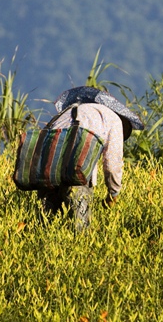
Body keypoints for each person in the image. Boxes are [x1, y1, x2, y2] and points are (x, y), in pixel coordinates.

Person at [37, 86, 144, 232]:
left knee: (45, 229)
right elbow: (112, 164)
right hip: (76, 175)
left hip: (46, 173)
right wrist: (113, 194)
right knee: (79, 234)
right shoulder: (114, 120)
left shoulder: (68, 112)